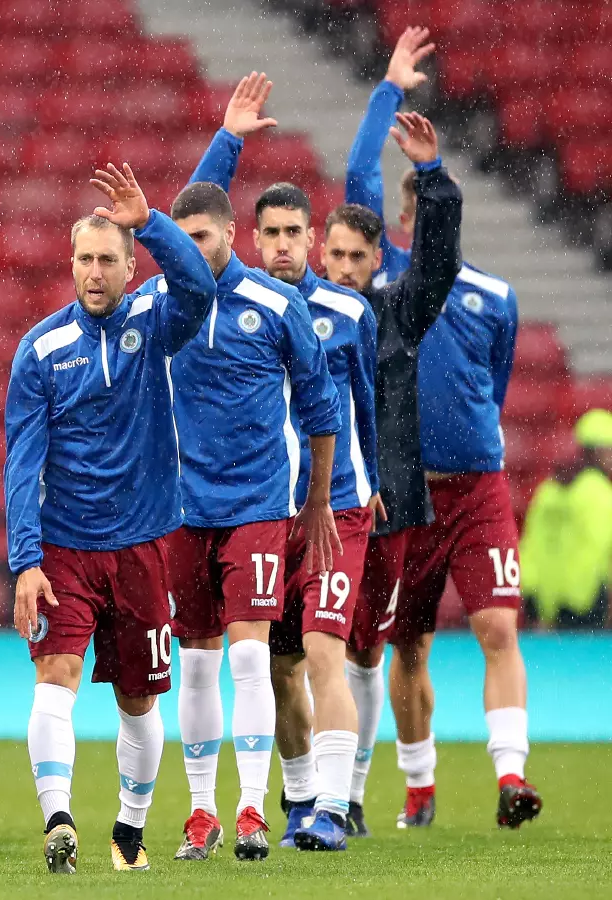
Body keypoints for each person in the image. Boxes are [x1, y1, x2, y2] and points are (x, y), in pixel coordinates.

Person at [345, 28, 538, 831]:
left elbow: (489, 388)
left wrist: (465, 443)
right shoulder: (385, 279)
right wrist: (388, 89)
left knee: (497, 624)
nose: (425, 220)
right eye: (415, 205)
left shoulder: (496, 298)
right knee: (409, 646)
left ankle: (510, 779)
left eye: (437, 205)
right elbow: (357, 174)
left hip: (477, 489)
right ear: (401, 214)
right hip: (405, 495)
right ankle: (418, 789)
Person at [186, 72, 381, 853]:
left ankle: (332, 806)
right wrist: (227, 142)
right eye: (267, 235)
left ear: (313, 237)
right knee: (274, 666)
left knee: (328, 652)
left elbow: (365, 409)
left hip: (335, 509)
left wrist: (373, 490)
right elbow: (185, 222)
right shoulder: (234, 310)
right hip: (265, 509)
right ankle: (300, 798)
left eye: (294, 235)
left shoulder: (349, 313)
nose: (282, 247)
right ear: (252, 240)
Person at [5, 163, 217, 874]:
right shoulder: (41, 349)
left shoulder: (155, 325)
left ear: (131, 268)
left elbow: (200, 284)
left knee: (137, 698)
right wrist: (26, 562)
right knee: (55, 677)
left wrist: (151, 221)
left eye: (107, 260)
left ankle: (128, 830)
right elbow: (21, 462)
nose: (94, 272)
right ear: (70, 265)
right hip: (64, 549)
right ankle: (59, 819)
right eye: (84, 259)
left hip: (144, 546)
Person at [155, 78, 343, 862]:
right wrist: (225, 141)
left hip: (260, 503)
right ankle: (200, 813)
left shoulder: (273, 303)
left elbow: (321, 406)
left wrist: (319, 500)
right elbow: (171, 223)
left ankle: (252, 810)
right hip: (181, 508)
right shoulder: (164, 305)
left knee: (247, 655)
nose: (192, 252)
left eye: (205, 239)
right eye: (182, 242)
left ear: (230, 236)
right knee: (194, 665)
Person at [319, 97, 463, 836]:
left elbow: (439, 262)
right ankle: (300, 793)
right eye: (335, 255)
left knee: (364, 651)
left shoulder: (398, 313)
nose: (344, 269)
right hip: (306, 509)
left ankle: (347, 796)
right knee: (303, 649)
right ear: (321, 254)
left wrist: (432, 176)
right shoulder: (295, 315)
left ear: (379, 262)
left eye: (357, 258)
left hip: (387, 508)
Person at [521, 409, 612, 629]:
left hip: (541, 603)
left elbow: (531, 546)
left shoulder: (548, 489)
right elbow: (597, 552)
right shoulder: (599, 491)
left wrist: (539, 603)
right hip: (583, 607)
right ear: (597, 451)